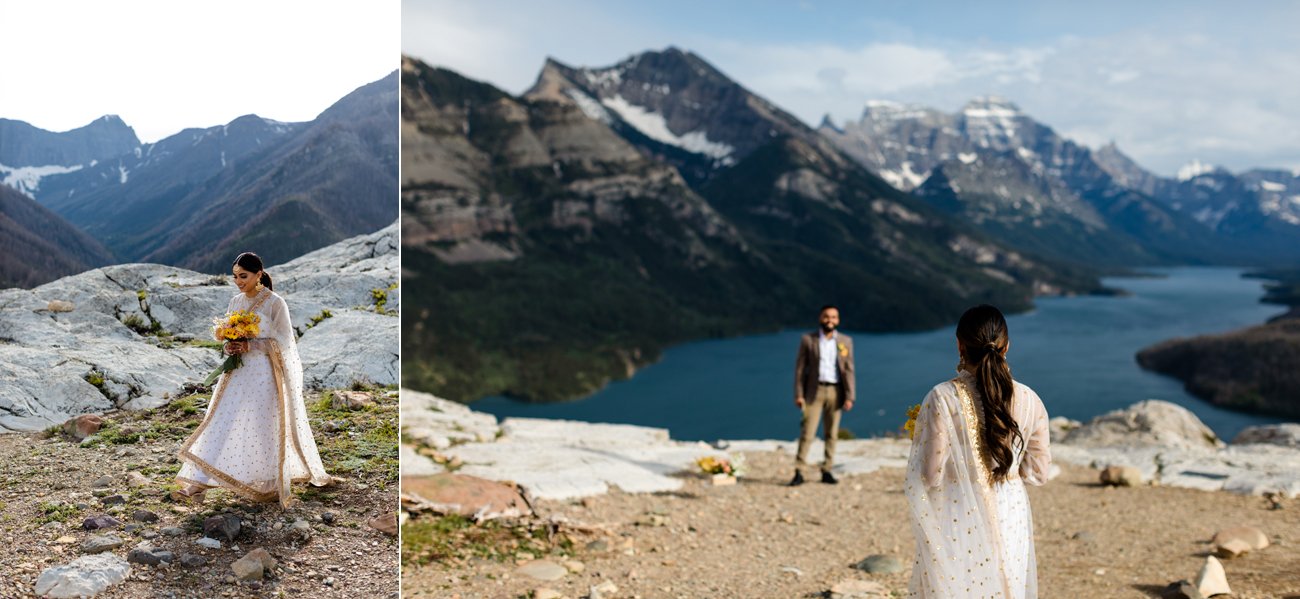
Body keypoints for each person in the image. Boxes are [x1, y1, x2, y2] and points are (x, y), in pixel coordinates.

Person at [904, 304, 1051, 598]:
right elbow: (1038, 473)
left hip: (958, 508)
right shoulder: (1029, 398)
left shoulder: (942, 397)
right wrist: (1007, 468)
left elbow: (930, 477)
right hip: (1010, 510)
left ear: (959, 345)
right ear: (1006, 346)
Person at [173, 252, 332, 507]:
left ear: (259, 274)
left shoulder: (274, 303)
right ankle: (198, 482)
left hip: (265, 374)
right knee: (220, 421)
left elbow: (285, 342)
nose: (238, 281)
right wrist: (230, 346)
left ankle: (269, 479)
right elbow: (228, 338)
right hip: (237, 373)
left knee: (263, 425)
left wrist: (252, 346)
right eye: (235, 276)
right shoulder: (235, 302)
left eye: (243, 276)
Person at [790, 304, 855, 485]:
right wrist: (799, 394)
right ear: (820, 318)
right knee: (807, 433)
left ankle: (827, 470)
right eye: (827, 316)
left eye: (834, 317)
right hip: (813, 391)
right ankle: (799, 471)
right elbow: (800, 369)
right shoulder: (808, 340)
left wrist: (850, 396)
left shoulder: (845, 341)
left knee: (832, 433)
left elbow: (849, 370)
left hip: (836, 391)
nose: (830, 320)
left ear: (838, 320)